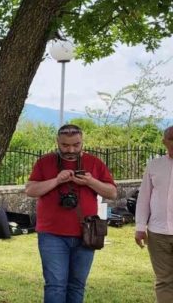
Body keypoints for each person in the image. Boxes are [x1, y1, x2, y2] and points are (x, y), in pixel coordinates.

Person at [25, 124, 117, 303]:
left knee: (77, 285)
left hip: (86, 233)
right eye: (65, 145)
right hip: (52, 234)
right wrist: (57, 180)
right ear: (57, 142)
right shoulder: (45, 162)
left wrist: (90, 181)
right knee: (55, 285)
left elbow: (112, 193)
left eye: (76, 144)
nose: (71, 149)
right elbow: (30, 190)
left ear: (82, 142)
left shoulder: (95, 163)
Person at [134, 125, 173, 302]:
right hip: (158, 233)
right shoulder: (154, 165)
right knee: (164, 280)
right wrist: (140, 227)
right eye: (171, 140)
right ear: (164, 141)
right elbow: (144, 198)